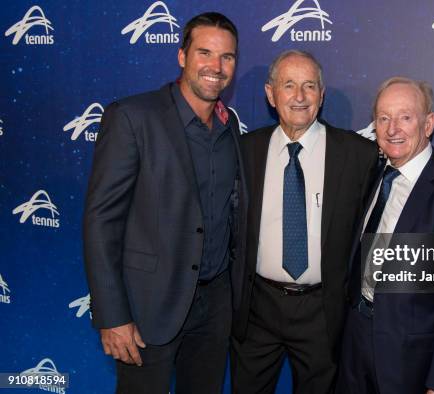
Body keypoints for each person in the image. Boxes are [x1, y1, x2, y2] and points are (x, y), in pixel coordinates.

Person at [83, 12, 246, 394]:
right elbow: (100, 220)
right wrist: (112, 315)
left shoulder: (230, 127)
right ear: (181, 56)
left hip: (215, 306)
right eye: (205, 53)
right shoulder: (132, 117)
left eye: (227, 57)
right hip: (148, 307)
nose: (216, 67)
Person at [231, 50, 379, 394]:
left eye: (309, 86)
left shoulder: (358, 155)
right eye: (289, 85)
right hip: (257, 309)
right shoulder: (244, 150)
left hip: (323, 312)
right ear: (270, 94)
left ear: (321, 95)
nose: (299, 97)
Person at [337, 77, 434, 394]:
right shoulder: (375, 175)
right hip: (355, 343)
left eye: (405, 117)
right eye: (383, 118)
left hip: (409, 361)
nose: (393, 129)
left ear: (428, 124)